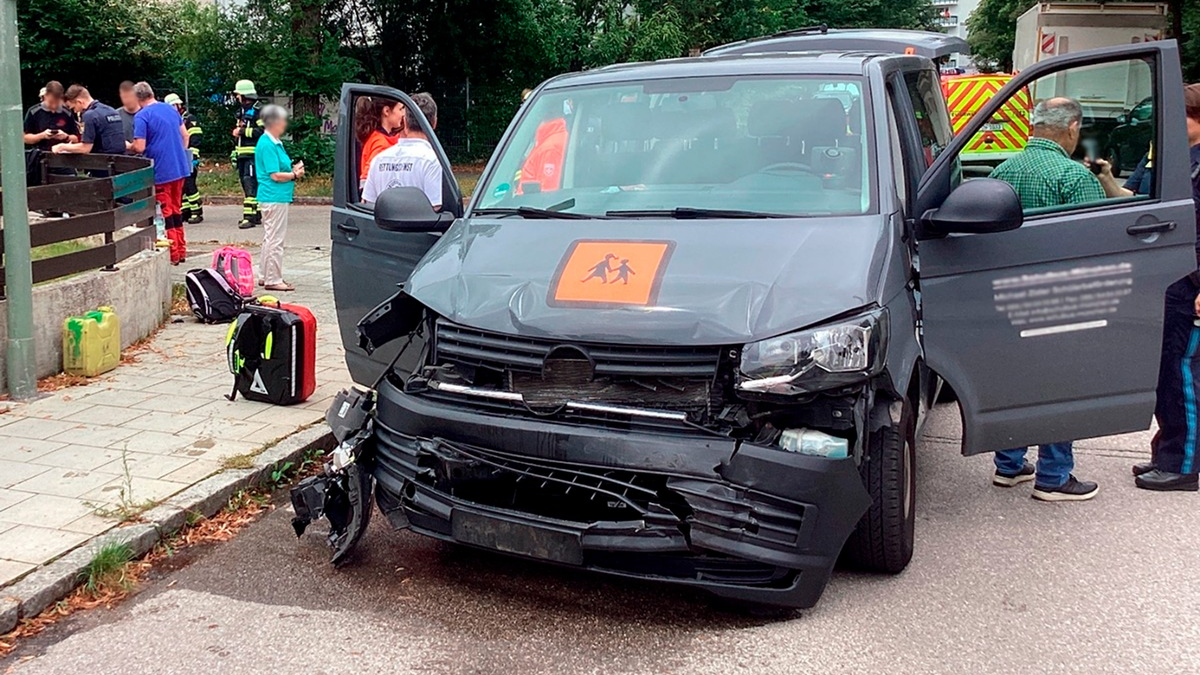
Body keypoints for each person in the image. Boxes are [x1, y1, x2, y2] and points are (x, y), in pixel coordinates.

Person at [989, 97, 1103, 502]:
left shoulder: (1002, 171)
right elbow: (1095, 245)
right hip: (1058, 300)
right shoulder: (1074, 178)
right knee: (1059, 384)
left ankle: (1009, 464)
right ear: (1072, 128)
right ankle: (1054, 477)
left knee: (1013, 379)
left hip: (1006, 298)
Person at [1134, 83, 1200, 492]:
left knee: (1184, 377)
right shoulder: (1180, 159)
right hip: (1170, 278)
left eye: (1182, 115)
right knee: (1166, 374)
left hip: (1191, 283)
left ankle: (1184, 465)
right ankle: (1166, 451)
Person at [131, 82, 192, 265]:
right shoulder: (170, 109)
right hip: (179, 168)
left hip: (161, 171)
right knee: (176, 210)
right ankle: (181, 250)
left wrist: (128, 146)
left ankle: (172, 253)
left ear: (137, 99)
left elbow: (140, 147)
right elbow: (186, 135)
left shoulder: (142, 116)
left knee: (165, 213)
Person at [362, 93, 443, 209]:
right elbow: (434, 208)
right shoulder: (431, 161)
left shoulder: (378, 160)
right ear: (434, 123)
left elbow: (368, 205)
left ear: (405, 122)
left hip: (381, 227)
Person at [254, 105, 304, 292]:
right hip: (274, 196)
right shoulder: (267, 144)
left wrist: (292, 170)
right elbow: (275, 174)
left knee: (270, 237)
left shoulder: (274, 142)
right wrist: (294, 174)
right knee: (276, 239)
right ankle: (273, 279)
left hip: (275, 196)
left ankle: (264, 274)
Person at [53, 85, 126, 157]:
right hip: (121, 161)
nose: (75, 111)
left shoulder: (89, 115)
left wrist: (62, 147)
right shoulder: (112, 111)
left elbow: (85, 148)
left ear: (79, 102)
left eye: (73, 108)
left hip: (102, 163)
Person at [165, 93, 204, 224]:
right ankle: (186, 210)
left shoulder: (189, 119)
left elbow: (196, 138)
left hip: (189, 155)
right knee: (181, 185)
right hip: (179, 156)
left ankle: (196, 211)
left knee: (189, 183)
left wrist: (193, 155)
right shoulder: (175, 118)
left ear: (177, 105)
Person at [231, 79, 264, 229]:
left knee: (250, 183)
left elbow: (264, 131)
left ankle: (249, 217)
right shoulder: (242, 111)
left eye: (238, 95)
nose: (237, 97)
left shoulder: (259, 111)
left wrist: (242, 132)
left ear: (244, 95)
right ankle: (256, 215)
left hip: (253, 155)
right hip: (242, 155)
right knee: (245, 184)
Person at [356, 96, 405, 186]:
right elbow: (366, 178)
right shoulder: (380, 143)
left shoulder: (378, 137)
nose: (403, 114)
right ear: (386, 111)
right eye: (400, 109)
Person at [23, 81, 78, 152]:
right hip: (39, 155)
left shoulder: (67, 113)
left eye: (57, 103)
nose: (54, 106)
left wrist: (65, 136)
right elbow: (25, 138)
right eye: (51, 102)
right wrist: (42, 135)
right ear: (45, 96)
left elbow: (76, 139)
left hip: (63, 157)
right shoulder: (34, 112)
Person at [117, 81, 141, 147]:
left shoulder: (146, 114)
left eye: (131, 96)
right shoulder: (115, 116)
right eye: (125, 97)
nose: (128, 100)